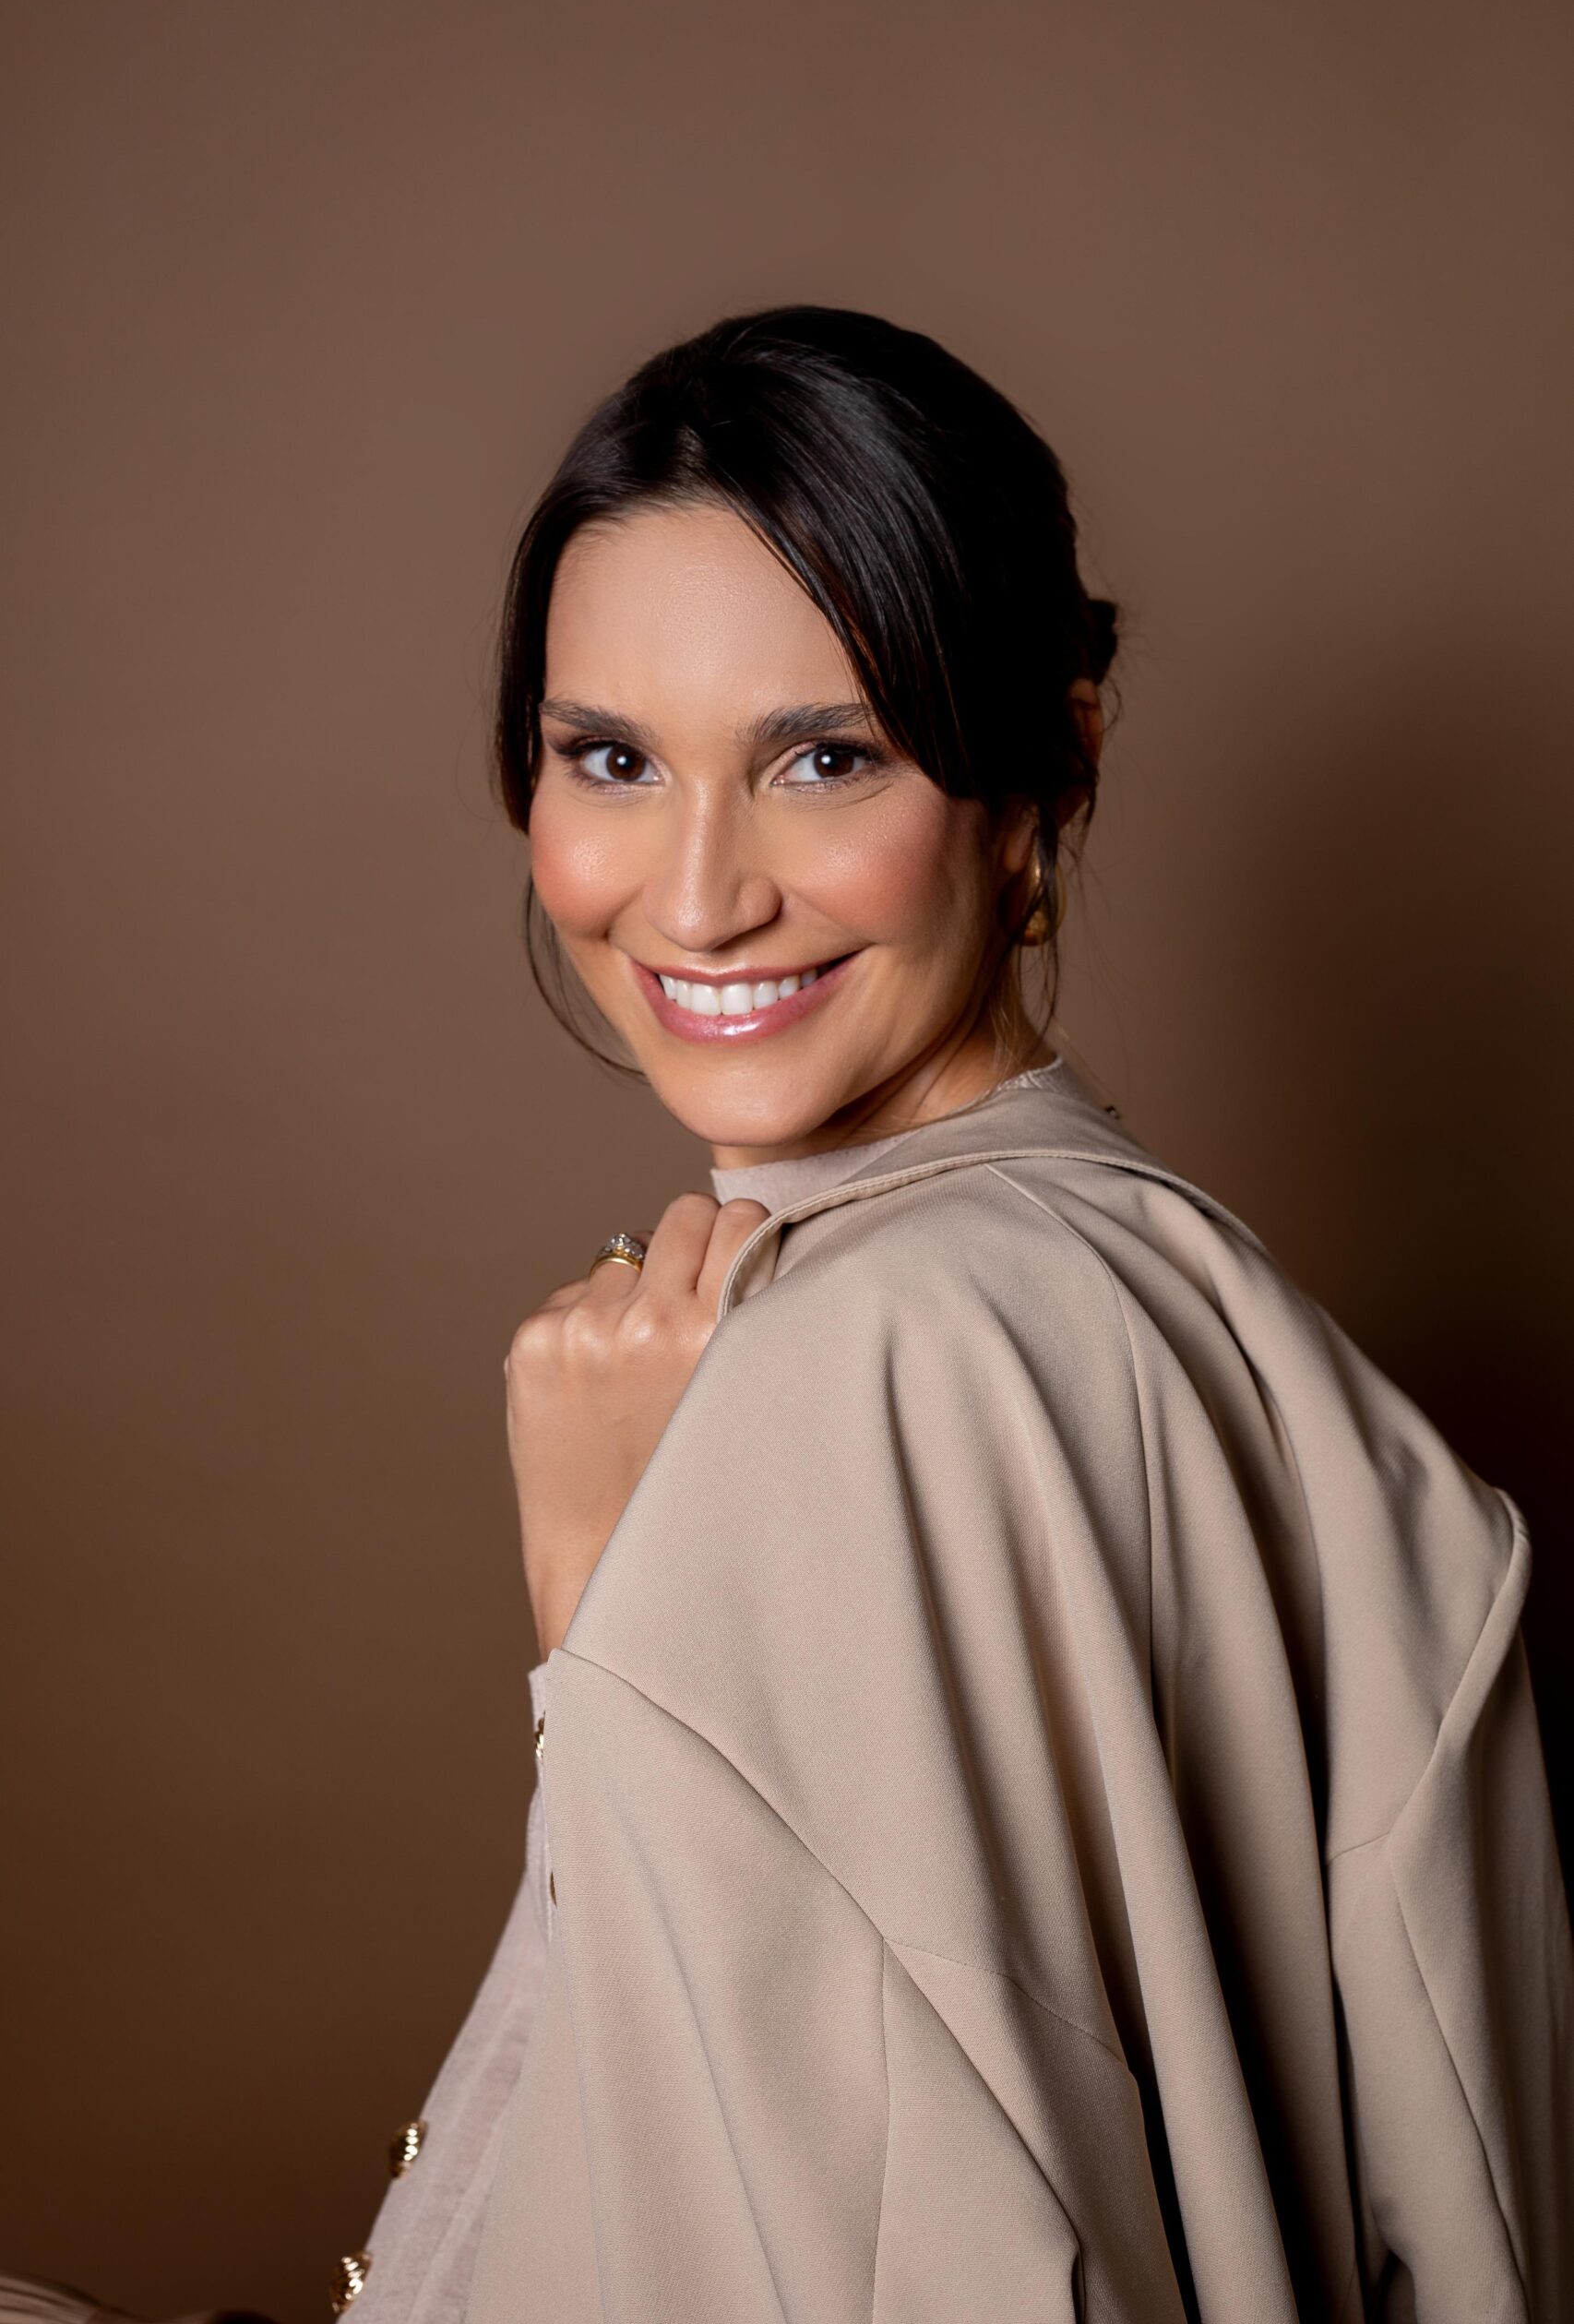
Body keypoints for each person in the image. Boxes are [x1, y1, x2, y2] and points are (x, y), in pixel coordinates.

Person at [340, 307, 1574, 2322]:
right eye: (612, 759)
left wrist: (609, 1610)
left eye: (825, 758)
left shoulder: (870, 1363)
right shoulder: (1181, 1303)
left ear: (1044, 768)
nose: (698, 893)